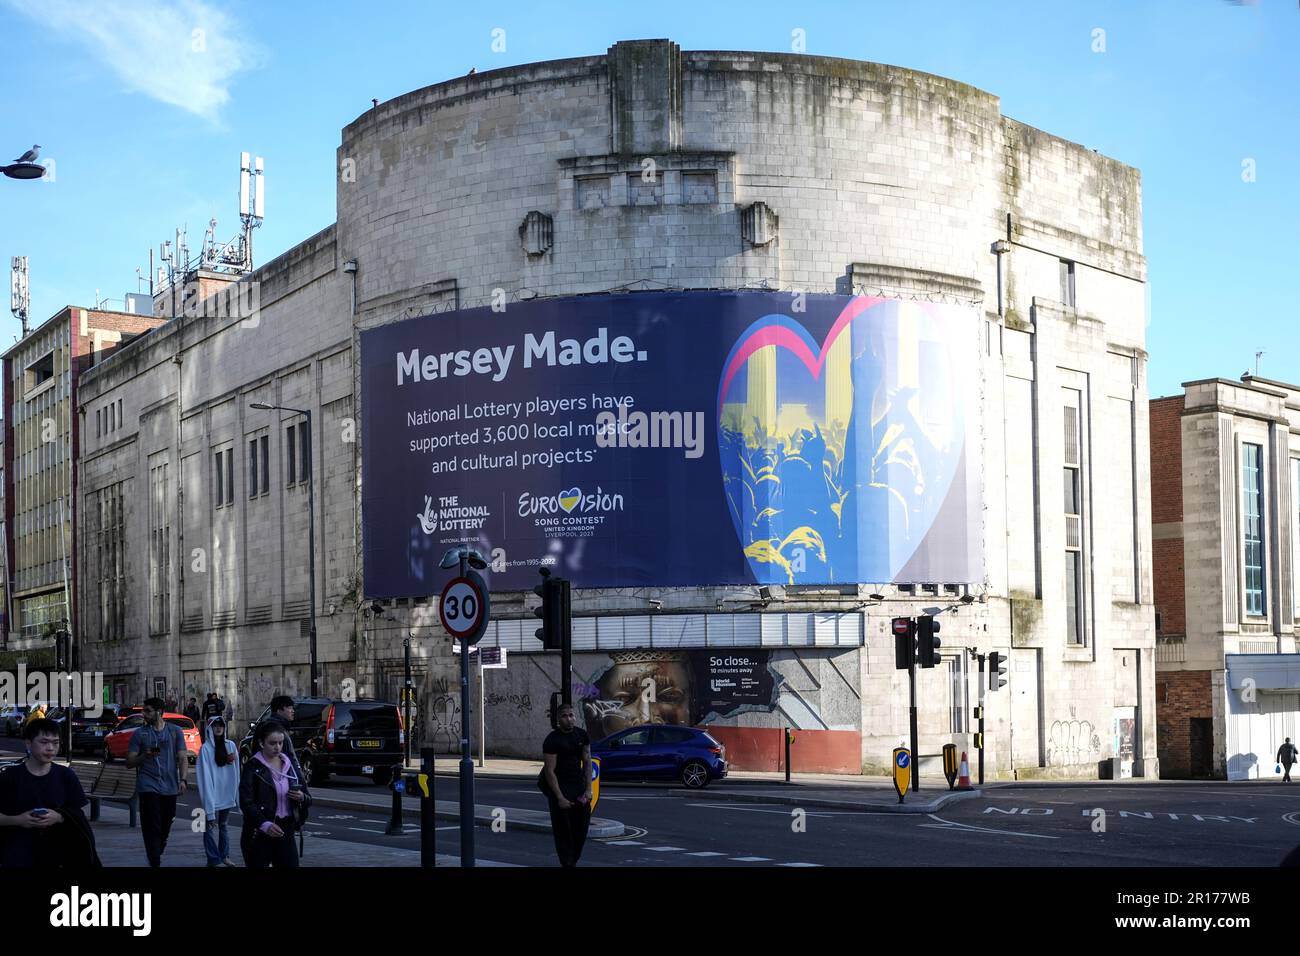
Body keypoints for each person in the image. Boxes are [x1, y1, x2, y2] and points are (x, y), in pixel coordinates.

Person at [0, 718, 101, 867]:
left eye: (55, 743)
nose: (50, 748)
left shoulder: (65, 775)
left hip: (58, 852)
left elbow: (77, 813)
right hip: (18, 852)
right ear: (28, 743)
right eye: (44, 742)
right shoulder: (10, 776)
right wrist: (19, 820)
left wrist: (59, 816)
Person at [126, 697, 189, 867]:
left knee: (166, 823)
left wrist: (183, 779)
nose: (143, 714)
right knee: (151, 823)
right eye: (143, 710)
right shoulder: (140, 733)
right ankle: (154, 859)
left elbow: (183, 757)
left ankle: (156, 850)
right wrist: (144, 756)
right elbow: (129, 762)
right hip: (148, 785)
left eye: (147, 711)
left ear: (159, 712)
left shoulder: (175, 731)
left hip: (169, 786)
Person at [239, 722, 310, 868]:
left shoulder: (289, 764)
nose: (277, 747)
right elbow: (246, 802)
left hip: (286, 829)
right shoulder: (253, 766)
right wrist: (264, 824)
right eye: (272, 743)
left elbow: (308, 797)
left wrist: (301, 797)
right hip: (260, 831)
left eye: (280, 742)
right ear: (261, 743)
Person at [539, 703, 592, 867]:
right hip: (560, 788)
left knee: (580, 831)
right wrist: (559, 797)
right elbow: (549, 770)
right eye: (564, 716)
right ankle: (567, 864)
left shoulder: (582, 735)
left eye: (571, 715)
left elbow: (588, 762)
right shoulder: (552, 740)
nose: (569, 719)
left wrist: (589, 790)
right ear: (558, 719)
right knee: (563, 833)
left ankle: (572, 861)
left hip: (578, 787)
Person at [196, 716, 240, 867]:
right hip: (212, 794)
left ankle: (224, 856)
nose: (219, 728)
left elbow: (237, 771)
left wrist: (236, 793)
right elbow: (204, 775)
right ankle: (213, 859)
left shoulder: (231, 746)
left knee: (224, 825)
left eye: (221, 725)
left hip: (227, 792)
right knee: (208, 827)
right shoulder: (205, 749)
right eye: (215, 726)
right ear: (210, 728)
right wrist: (207, 797)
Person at [263, 695, 303, 777]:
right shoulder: (274, 729)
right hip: (279, 776)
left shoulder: (282, 727)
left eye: (292, 708)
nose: (293, 711)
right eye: (289, 708)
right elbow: (289, 757)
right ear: (279, 710)